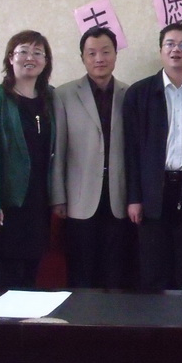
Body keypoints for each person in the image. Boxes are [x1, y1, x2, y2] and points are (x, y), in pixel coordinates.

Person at [123, 22, 182, 290]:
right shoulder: (139, 93)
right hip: (152, 192)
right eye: (169, 44)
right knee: (153, 268)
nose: (175, 50)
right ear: (160, 51)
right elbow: (131, 151)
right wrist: (134, 198)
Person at [51, 26, 129, 289]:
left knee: (115, 273)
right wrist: (58, 196)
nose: (99, 59)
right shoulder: (63, 94)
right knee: (81, 273)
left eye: (106, 52)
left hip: (118, 196)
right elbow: (59, 149)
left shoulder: (129, 94)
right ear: (83, 58)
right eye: (92, 53)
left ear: (115, 54)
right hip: (79, 197)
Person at [0, 30, 55, 289]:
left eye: (38, 53)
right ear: (10, 58)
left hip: (39, 201)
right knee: (8, 278)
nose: (30, 57)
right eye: (23, 51)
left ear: (46, 62)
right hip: (8, 202)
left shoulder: (50, 98)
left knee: (31, 275)